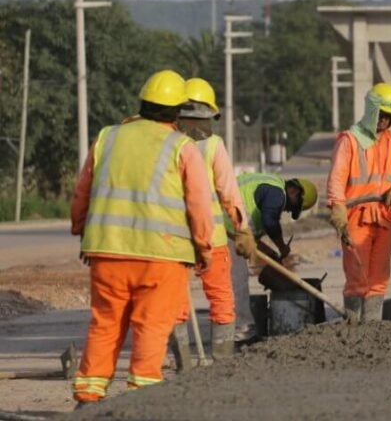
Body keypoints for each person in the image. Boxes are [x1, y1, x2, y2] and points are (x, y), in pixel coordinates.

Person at [69, 70, 214, 406]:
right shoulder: (182, 147)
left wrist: (81, 230)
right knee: (151, 326)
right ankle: (142, 399)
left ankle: (88, 397)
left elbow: (82, 193)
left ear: (143, 103)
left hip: (107, 253)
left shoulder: (107, 137)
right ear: (178, 111)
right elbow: (199, 204)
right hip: (161, 259)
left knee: (105, 323)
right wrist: (203, 246)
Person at [168, 78, 257, 367]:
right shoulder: (213, 146)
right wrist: (242, 228)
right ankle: (222, 360)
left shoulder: (167, 143)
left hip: (175, 238)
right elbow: (229, 193)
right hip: (213, 238)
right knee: (221, 298)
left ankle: (182, 362)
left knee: (176, 300)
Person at [327, 83, 391, 323]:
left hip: (384, 217)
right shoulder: (350, 140)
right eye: (381, 115)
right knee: (358, 276)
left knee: (378, 277)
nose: (384, 121)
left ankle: (372, 328)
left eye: (389, 116)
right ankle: (353, 325)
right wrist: (337, 206)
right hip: (356, 217)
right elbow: (336, 178)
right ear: (371, 110)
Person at [234, 171, 317, 341]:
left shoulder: (271, 188)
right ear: (294, 191)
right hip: (223, 222)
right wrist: (282, 246)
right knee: (237, 279)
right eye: (292, 207)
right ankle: (241, 332)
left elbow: (252, 239)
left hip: (230, 225)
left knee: (235, 278)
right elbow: (270, 222)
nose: (287, 210)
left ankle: (239, 328)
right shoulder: (277, 192)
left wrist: (270, 252)